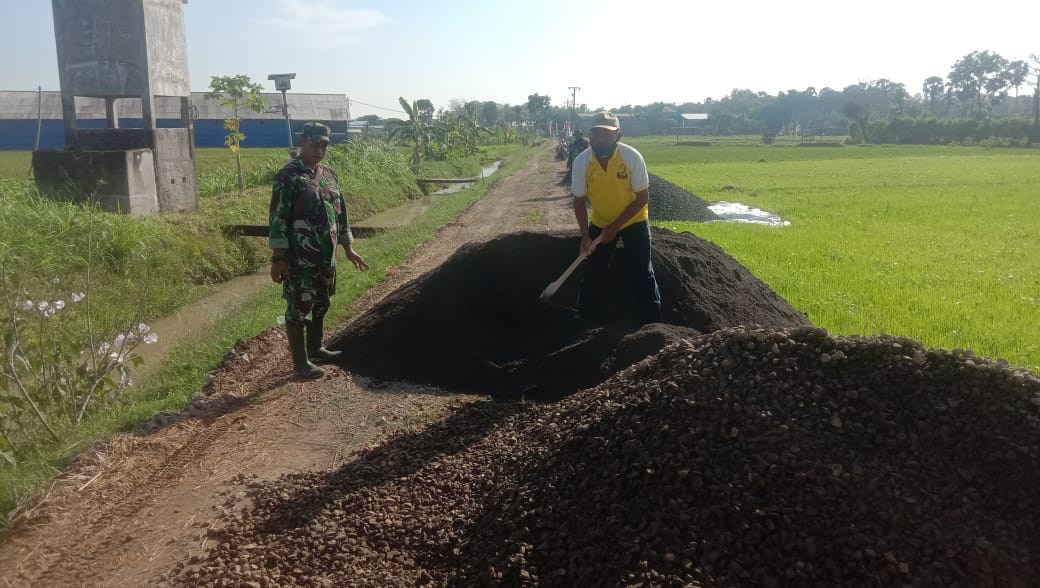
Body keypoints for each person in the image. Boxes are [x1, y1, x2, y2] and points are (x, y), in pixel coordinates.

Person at [269, 122, 369, 379]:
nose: (320, 149)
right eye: (315, 144)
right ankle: (301, 364)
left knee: (322, 301)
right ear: (302, 141)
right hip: (300, 258)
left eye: (324, 144)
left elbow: (341, 214)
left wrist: (348, 247)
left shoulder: (329, 175)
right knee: (298, 306)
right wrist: (278, 258)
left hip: (327, 255)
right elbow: (278, 218)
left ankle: (316, 348)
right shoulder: (288, 177)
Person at [570, 111, 661, 324]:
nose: (601, 139)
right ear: (589, 136)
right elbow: (578, 201)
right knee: (593, 270)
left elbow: (642, 198)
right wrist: (585, 236)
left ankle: (654, 324)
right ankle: (586, 321)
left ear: (617, 136)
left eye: (607, 134)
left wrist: (615, 227)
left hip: (634, 219)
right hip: (601, 221)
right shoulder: (581, 162)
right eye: (597, 134)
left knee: (641, 271)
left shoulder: (632, 158)